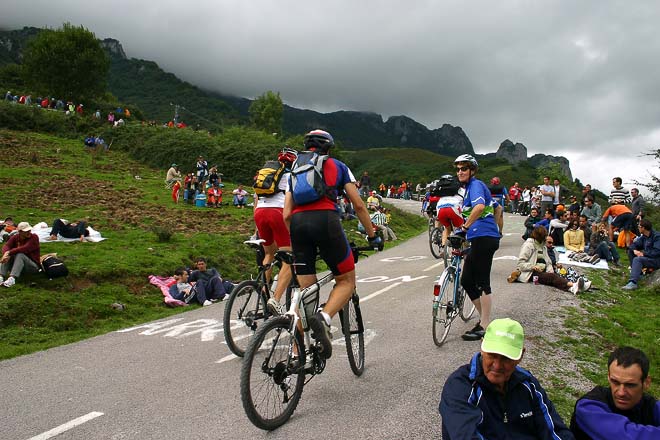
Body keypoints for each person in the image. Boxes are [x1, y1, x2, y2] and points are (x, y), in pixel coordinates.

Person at [283, 129, 381, 360]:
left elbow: (286, 213)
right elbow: (358, 205)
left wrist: (298, 241)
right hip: (325, 221)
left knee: (306, 292)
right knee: (346, 280)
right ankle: (324, 317)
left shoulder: (295, 169)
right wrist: (372, 235)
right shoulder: (338, 166)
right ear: (329, 148)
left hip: (297, 226)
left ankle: (297, 353)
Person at [439, 318, 574, 440]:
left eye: (506, 358)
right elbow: (465, 435)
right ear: (482, 348)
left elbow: (555, 430)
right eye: (492, 355)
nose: (497, 366)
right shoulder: (460, 386)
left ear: (520, 356)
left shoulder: (528, 384)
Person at [454, 154, 501, 341]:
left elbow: (480, 207)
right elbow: (498, 208)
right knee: (466, 280)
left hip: (484, 238)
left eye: (464, 169)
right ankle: (485, 320)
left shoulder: (475, 185)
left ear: (472, 170)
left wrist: (465, 228)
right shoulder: (468, 190)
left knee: (482, 282)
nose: (460, 172)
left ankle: (485, 325)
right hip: (481, 237)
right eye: (457, 169)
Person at [570, 346, 659, 439]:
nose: (621, 393)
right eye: (615, 382)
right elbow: (625, 436)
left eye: (630, 385)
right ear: (609, 376)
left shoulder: (652, 407)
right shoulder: (588, 407)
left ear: (646, 382)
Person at [253, 148, 297, 315]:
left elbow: (256, 201)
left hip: (260, 214)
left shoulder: (265, 176)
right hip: (277, 213)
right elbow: (293, 202)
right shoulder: (290, 177)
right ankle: (276, 299)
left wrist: (256, 227)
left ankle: (264, 293)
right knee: (289, 257)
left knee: (269, 254)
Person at [511, 226, 589, 293]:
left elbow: (548, 262)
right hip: (531, 273)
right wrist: (532, 266)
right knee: (553, 277)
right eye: (544, 237)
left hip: (543, 270)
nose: (545, 239)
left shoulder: (543, 246)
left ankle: (574, 287)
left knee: (560, 274)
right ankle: (574, 285)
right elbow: (520, 264)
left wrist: (550, 270)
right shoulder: (528, 246)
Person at [622, 219, 660, 290]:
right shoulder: (644, 237)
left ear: (643, 228)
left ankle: (633, 282)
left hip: (656, 260)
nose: (638, 228)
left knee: (637, 259)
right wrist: (634, 250)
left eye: (639, 226)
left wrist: (643, 254)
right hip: (649, 258)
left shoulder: (657, 236)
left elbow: (657, 252)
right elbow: (633, 245)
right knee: (631, 251)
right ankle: (639, 274)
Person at [0, 222, 41, 288]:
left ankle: (12, 279)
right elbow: (6, 246)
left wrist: (9, 253)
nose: (28, 232)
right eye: (26, 231)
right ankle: (1, 276)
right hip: (19, 266)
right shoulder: (15, 237)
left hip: (33, 267)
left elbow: (25, 248)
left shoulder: (34, 237)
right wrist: (6, 254)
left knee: (19, 254)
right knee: (9, 255)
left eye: (29, 230)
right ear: (20, 232)